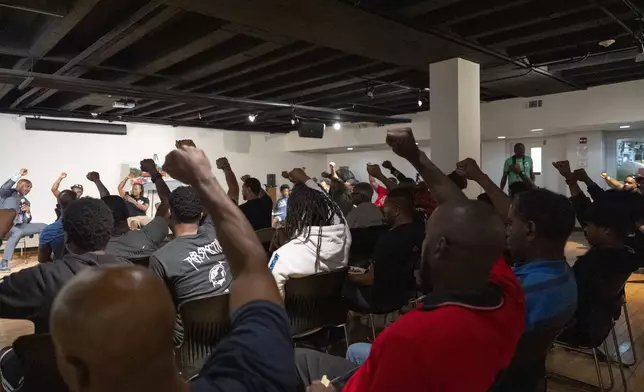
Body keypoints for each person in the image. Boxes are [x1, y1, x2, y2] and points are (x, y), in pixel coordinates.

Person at [49, 145, 295, 392]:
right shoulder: (263, 367)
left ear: (77, 375)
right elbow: (252, 267)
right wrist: (203, 179)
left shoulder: (163, 259)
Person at [297, 127, 525, 392]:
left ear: (440, 246)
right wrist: (416, 156)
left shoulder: (410, 337)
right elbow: (463, 213)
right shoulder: (510, 296)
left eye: (427, 234)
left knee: (299, 362)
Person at [0, 197, 131, 392]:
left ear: (66, 236)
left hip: (56, 380)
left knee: (5, 355)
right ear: (109, 232)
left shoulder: (42, 278)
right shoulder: (134, 275)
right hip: (116, 377)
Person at [457, 158, 578, 332]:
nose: (506, 231)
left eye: (510, 224)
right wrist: (480, 178)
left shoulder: (515, 291)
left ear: (529, 230)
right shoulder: (561, 274)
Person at [150, 186, 231, 345]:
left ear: (171, 214)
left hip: (190, 343)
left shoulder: (160, 258)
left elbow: (157, 312)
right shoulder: (216, 232)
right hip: (231, 331)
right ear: (201, 213)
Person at [270, 168, 351, 296]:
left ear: (294, 212)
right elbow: (331, 206)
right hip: (335, 313)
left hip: (296, 315)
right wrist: (305, 178)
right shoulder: (343, 235)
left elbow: (274, 307)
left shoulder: (281, 258)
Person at [343, 187, 423, 312]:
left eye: (385, 207)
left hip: (380, 300)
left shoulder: (389, 239)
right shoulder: (417, 232)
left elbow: (371, 279)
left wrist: (345, 276)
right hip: (405, 295)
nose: (382, 210)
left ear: (396, 211)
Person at [95, 160, 171, 261]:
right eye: (133, 188)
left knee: (146, 220)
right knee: (135, 221)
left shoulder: (97, 248)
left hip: (142, 218)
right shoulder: (148, 236)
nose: (134, 190)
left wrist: (96, 180)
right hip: (132, 219)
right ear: (125, 211)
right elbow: (167, 201)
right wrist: (152, 172)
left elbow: (144, 208)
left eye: (136, 188)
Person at [0, 168, 46, 272]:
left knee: (45, 226)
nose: (28, 189)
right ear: (19, 185)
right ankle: (4, 262)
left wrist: (28, 212)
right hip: (4, 226)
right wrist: (19, 175)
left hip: (19, 226)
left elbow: (26, 221)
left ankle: (45, 257)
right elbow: (4, 187)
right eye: (26, 186)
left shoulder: (26, 202)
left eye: (30, 188)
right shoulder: (6, 194)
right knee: (18, 232)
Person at [38, 190, 78, 263]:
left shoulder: (48, 231)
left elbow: (42, 259)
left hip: (61, 270)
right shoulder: (89, 225)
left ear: (58, 207)